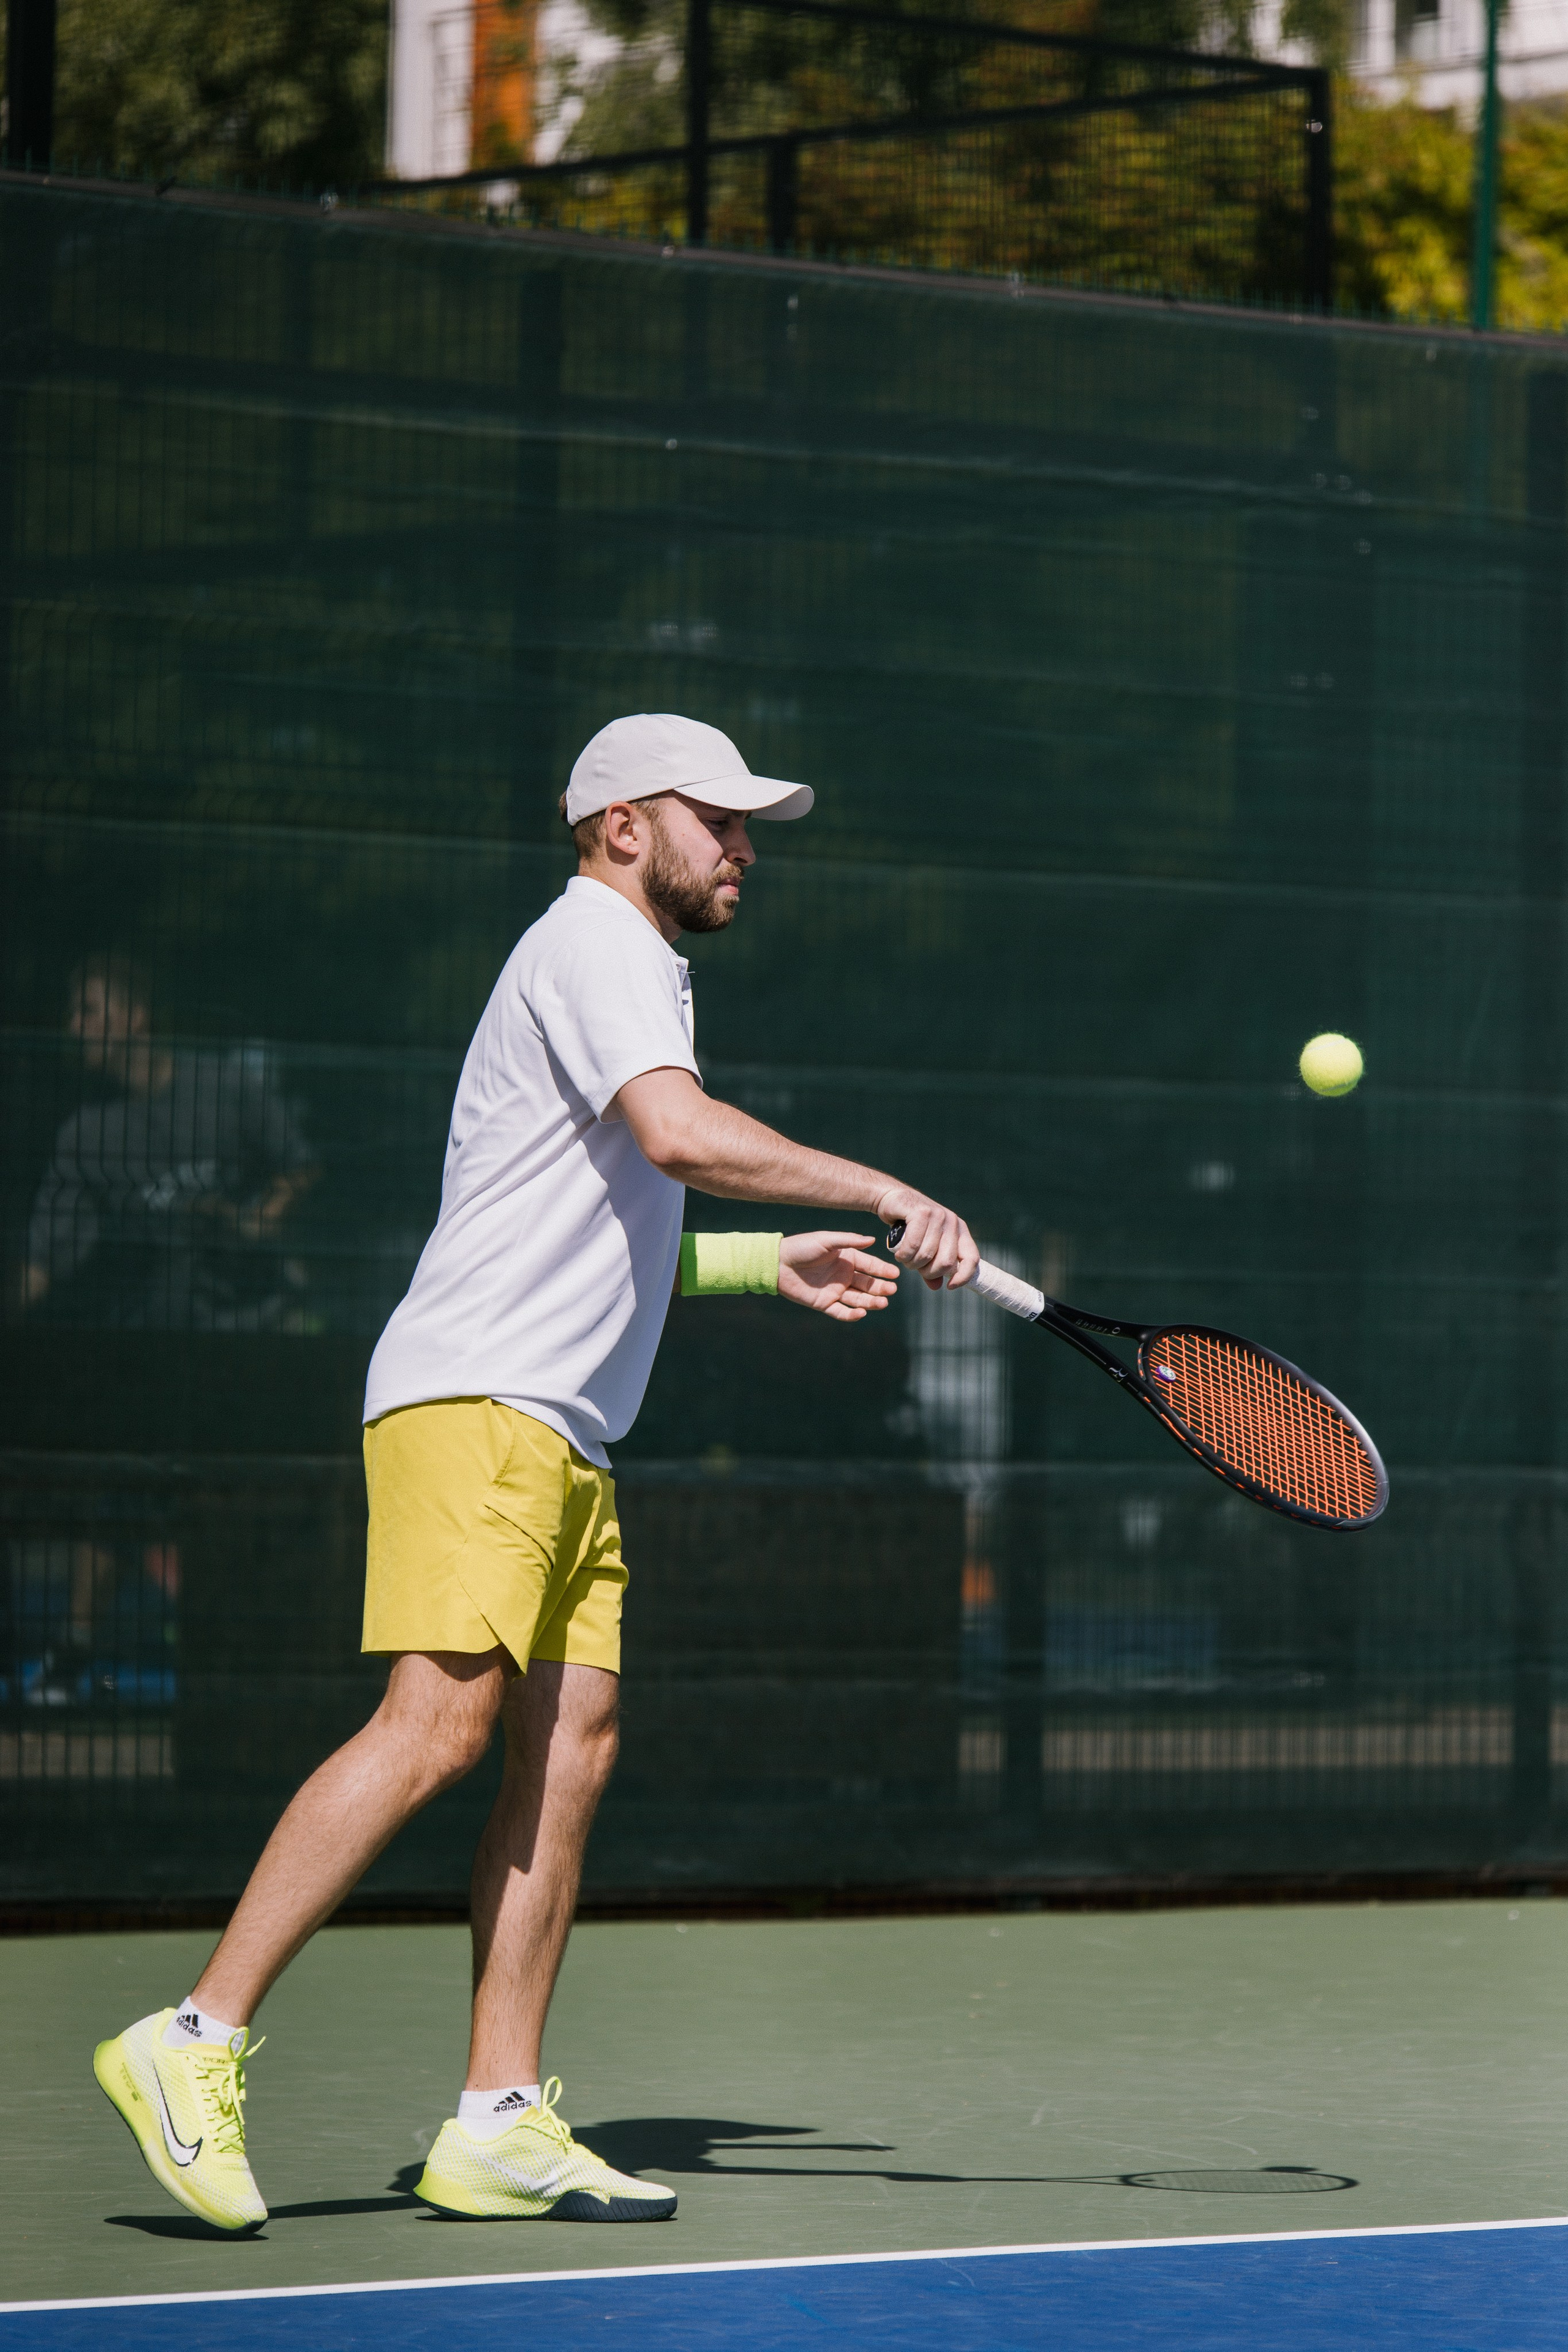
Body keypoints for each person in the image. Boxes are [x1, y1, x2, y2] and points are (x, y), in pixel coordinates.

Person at [92, 714, 978, 2234]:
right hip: (478, 1404)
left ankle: (497, 2119)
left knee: (569, 1750)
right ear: (624, 824)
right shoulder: (596, 941)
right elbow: (677, 1135)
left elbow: (594, 1219)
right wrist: (881, 1186)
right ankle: (193, 2034)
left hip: (561, 1425)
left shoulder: (630, 967)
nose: (743, 848)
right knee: (435, 1727)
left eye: (748, 825)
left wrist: (762, 1262)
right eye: (718, 819)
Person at [19, 952, 317, 1332]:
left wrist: (258, 1221)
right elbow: (42, 1261)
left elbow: (301, 1164)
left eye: (89, 1010)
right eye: (74, 1014)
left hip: (258, 1322)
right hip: (157, 1337)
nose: (75, 1026)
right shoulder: (85, 1134)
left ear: (136, 1017)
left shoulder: (224, 1085)